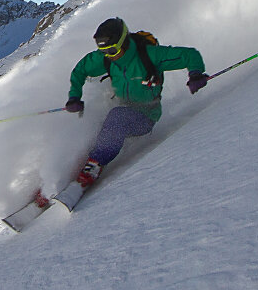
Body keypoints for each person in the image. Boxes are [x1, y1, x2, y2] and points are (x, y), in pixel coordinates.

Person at [64, 17, 207, 188]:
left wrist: (196, 74)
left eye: (112, 50)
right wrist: (74, 97)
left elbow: (190, 55)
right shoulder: (106, 58)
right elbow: (80, 70)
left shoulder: (149, 55)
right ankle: (80, 162)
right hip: (121, 107)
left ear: (124, 42)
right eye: (104, 51)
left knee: (117, 118)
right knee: (97, 123)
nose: (109, 55)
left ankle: (94, 165)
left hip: (146, 115)